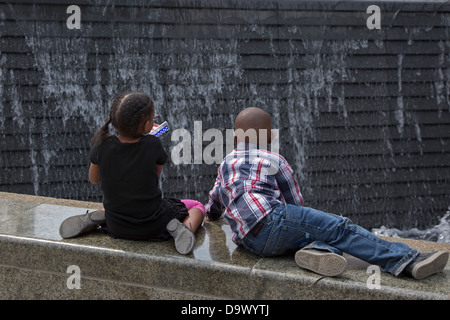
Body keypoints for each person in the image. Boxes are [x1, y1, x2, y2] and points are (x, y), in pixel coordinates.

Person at [204, 107, 448, 279]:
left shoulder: (226, 162)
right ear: (269, 137)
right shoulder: (273, 159)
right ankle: (406, 260)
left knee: (314, 232)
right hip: (273, 221)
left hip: (250, 242)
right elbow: (294, 203)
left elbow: (215, 201)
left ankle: (318, 252)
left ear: (236, 137)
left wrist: (209, 216)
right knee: (339, 228)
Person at [59, 92, 204, 255]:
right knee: (197, 206)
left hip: (117, 225)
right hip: (154, 224)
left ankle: (101, 217)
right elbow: (152, 176)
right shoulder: (152, 144)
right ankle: (181, 229)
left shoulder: (102, 145)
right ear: (146, 124)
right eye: (152, 117)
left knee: (118, 205)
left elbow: (94, 179)